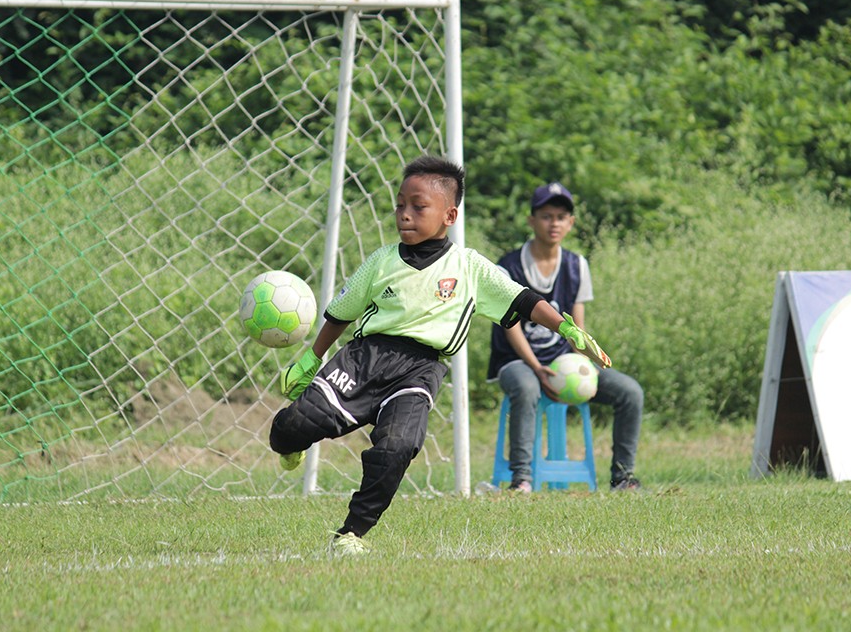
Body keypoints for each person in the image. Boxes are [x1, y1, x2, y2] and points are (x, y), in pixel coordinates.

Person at [268, 157, 612, 556]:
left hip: (419, 372)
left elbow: (525, 299)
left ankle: (351, 533)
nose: (405, 215)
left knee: (398, 447)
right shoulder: (381, 261)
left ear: (449, 214)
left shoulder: (469, 268)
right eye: (400, 205)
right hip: (364, 358)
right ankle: (292, 442)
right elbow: (339, 314)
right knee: (294, 426)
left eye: (418, 206)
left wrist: (568, 329)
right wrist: (311, 358)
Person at [487, 182, 644, 493]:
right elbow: (511, 326)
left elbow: (576, 329)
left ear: (571, 222)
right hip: (516, 360)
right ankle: (522, 479)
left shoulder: (576, 265)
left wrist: (590, 361)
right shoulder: (508, 266)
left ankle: (622, 478)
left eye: (561, 216)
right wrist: (536, 368)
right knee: (527, 387)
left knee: (630, 392)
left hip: (562, 361)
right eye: (546, 216)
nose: (554, 223)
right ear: (531, 220)